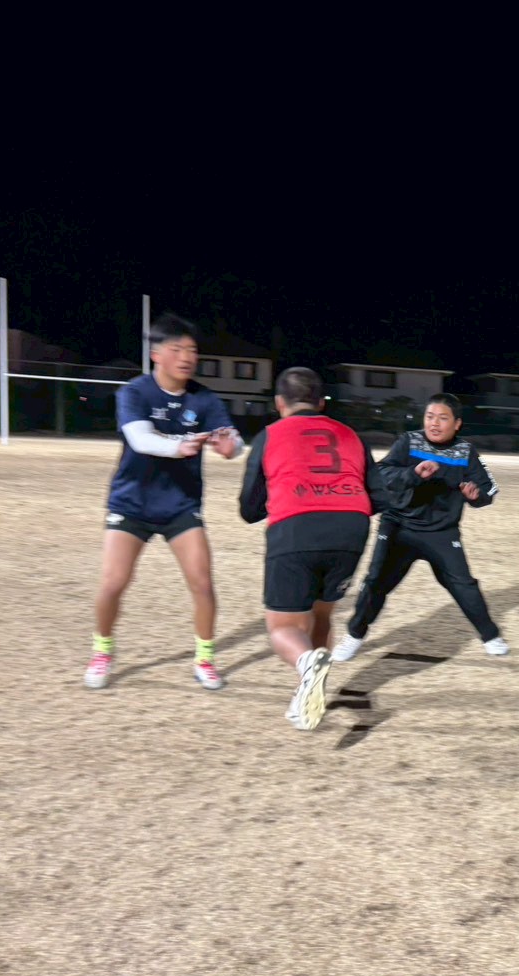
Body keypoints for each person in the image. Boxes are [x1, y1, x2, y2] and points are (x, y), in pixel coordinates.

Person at [85, 313, 243, 691]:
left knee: (202, 583)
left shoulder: (204, 398)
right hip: (132, 503)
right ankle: (102, 651)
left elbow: (233, 441)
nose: (187, 357)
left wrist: (231, 447)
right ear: (156, 354)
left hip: (180, 505)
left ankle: (204, 659)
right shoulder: (135, 392)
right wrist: (179, 446)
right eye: (177, 349)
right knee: (113, 582)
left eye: (192, 350)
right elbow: (140, 439)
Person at [238, 367, 383, 731]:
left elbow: (249, 508)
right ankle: (308, 693)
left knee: (283, 627)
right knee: (321, 615)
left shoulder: (270, 434)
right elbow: (378, 496)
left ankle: (306, 667)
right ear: (321, 403)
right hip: (350, 528)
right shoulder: (351, 435)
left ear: (279, 402)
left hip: (296, 527)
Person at [331, 392, 507, 662]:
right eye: (429, 416)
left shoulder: (466, 451)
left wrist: (476, 496)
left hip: (441, 533)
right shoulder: (408, 441)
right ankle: (354, 635)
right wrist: (412, 474)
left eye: (443, 418)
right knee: (375, 583)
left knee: (464, 585)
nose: (434, 423)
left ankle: (491, 636)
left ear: (457, 424)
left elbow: (488, 489)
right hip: (398, 527)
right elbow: (382, 473)